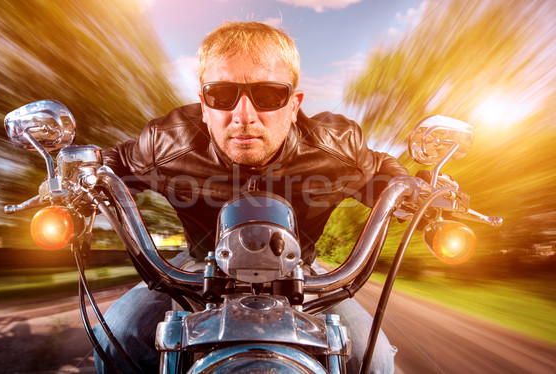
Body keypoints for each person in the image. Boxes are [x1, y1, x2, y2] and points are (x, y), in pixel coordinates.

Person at [94, 21, 407, 373]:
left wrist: (413, 190)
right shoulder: (167, 143)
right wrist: (81, 177)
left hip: (302, 272)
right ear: (203, 105)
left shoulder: (335, 147)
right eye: (222, 96)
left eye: (269, 95)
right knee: (115, 337)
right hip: (195, 269)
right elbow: (116, 162)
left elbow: (381, 169)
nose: (244, 116)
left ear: (293, 105)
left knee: (373, 358)